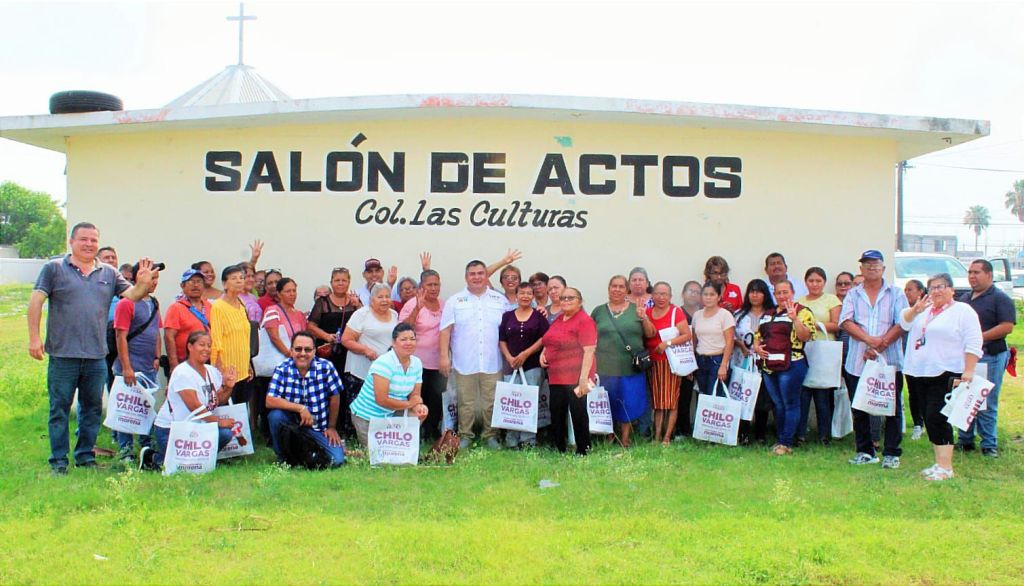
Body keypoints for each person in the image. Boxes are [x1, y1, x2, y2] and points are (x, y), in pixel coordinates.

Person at [28, 222, 157, 475]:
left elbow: (132, 296)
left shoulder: (108, 273)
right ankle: (59, 462)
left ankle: (85, 456)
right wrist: (34, 338)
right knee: (59, 410)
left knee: (92, 409)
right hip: (63, 354)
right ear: (71, 242)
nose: (89, 244)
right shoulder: (54, 268)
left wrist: (143, 283)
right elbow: (36, 302)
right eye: (83, 239)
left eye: (93, 240)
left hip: (96, 355)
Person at [900, 273, 983, 480]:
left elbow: (973, 341)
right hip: (920, 371)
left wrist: (969, 370)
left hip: (946, 371)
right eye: (932, 288)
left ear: (952, 290)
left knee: (937, 417)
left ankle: (946, 467)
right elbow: (904, 324)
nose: (936, 291)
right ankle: (939, 463)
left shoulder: (962, 311)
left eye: (941, 287)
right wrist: (915, 310)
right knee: (928, 417)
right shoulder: (924, 310)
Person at [839, 250, 908, 468]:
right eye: (867, 264)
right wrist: (869, 340)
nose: (871, 267)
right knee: (859, 408)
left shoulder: (896, 293)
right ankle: (865, 451)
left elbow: (902, 323)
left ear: (883, 268)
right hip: (858, 361)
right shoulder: (853, 294)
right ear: (861, 268)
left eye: (875, 264)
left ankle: (891, 453)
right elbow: (846, 321)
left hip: (889, 361)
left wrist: (881, 345)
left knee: (892, 407)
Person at [144, 331, 237, 471]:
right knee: (176, 468)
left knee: (225, 434)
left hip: (198, 427)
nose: (206, 349)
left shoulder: (211, 371)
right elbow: (195, 406)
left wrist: (228, 387)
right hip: (172, 429)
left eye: (209, 345)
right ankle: (153, 458)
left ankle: (203, 460)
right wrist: (219, 421)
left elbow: (216, 401)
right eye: (202, 345)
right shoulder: (182, 372)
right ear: (190, 346)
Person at [439, 260, 508, 450]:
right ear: (466, 277)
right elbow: (445, 331)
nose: (476, 277)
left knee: (490, 401)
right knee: (465, 402)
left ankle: (491, 435)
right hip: (464, 361)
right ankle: (465, 435)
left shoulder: (499, 300)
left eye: (480, 273)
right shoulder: (455, 301)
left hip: (492, 361)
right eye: (472, 274)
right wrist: (444, 357)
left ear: (486, 276)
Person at [957, 259, 1016, 457]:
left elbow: (1007, 326)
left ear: (989, 275)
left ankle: (989, 444)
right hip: (967, 358)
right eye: (970, 272)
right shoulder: (965, 299)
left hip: (991, 355)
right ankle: (965, 440)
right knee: (965, 397)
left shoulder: (1000, 298)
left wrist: (978, 338)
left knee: (986, 400)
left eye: (977, 272)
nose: (972, 276)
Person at [591, 275, 655, 447]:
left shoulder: (636, 309)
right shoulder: (599, 311)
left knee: (628, 402)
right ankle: (610, 436)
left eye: (621, 286)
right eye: (614, 286)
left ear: (627, 290)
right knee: (608, 402)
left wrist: (644, 317)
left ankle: (625, 438)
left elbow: (651, 334)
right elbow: (589, 335)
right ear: (608, 289)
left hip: (630, 367)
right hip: (605, 366)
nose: (617, 289)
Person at [266, 331, 346, 467]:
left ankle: (305, 454)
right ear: (291, 350)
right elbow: (270, 400)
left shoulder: (326, 367)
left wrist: (331, 427)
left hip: (318, 427)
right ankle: (283, 458)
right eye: (298, 349)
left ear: (314, 351)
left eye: (307, 350)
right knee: (275, 416)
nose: (303, 353)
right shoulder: (282, 369)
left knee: (337, 460)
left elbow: (335, 396)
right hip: (292, 426)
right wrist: (301, 408)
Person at [753, 280, 815, 455]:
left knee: (790, 403)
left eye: (785, 292)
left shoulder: (803, 311)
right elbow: (758, 335)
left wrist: (794, 319)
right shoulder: (768, 313)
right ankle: (781, 439)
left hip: (792, 364)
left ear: (792, 293)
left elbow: (806, 337)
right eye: (778, 293)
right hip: (769, 366)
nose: (781, 296)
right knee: (778, 404)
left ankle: (786, 443)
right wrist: (757, 347)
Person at [111, 261, 164, 461]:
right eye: (151, 277)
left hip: (148, 367)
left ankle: (146, 446)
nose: (154, 282)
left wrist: (157, 356)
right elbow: (120, 336)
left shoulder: (154, 303)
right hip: (130, 367)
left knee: (145, 408)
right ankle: (125, 450)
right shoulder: (126, 303)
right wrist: (126, 367)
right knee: (126, 409)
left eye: (156, 278)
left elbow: (156, 332)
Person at [349, 323, 429, 449]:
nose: (409, 343)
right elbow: (381, 400)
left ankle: (407, 444)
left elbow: (415, 394)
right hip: (369, 416)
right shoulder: (383, 363)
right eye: (403, 339)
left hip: (394, 411)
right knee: (378, 454)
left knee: (421, 411)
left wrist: (418, 406)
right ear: (394, 342)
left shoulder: (417, 363)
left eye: (412, 339)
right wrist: (410, 404)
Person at [539, 287, 597, 455]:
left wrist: (583, 378)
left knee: (578, 413)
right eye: (563, 298)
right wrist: (543, 353)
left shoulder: (584, 320)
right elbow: (549, 339)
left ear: (580, 301)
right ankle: (559, 448)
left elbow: (589, 350)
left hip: (576, 375)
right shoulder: (559, 319)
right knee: (556, 412)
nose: (566, 301)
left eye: (571, 298)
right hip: (556, 375)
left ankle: (583, 449)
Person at [307, 267, 360, 435]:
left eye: (344, 280)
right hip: (327, 352)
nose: (340, 283)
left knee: (345, 388)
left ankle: (345, 426)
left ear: (349, 282)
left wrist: (358, 305)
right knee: (326, 388)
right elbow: (311, 325)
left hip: (349, 353)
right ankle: (326, 425)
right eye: (337, 280)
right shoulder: (322, 302)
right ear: (331, 282)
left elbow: (364, 321)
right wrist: (326, 336)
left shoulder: (354, 301)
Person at [342, 283, 400, 435]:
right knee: (358, 405)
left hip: (383, 371)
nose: (384, 300)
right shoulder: (362, 314)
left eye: (387, 296)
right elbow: (346, 339)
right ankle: (353, 436)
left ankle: (378, 435)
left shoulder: (394, 315)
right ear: (372, 299)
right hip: (360, 369)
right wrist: (365, 350)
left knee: (378, 404)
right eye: (380, 297)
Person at [255, 277, 307, 440]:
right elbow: (274, 336)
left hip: (295, 362)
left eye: (294, 290)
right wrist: (289, 354)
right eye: (287, 291)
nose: (292, 294)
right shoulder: (272, 310)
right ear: (278, 293)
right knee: (272, 398)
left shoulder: (299, 314)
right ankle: (269, 434)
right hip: (277, 363)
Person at [499, 282, 550, 448]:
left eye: (529, 293)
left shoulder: (539, 316)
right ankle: (511, 440)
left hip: (532, 366)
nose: (525, 296)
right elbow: (502, 340)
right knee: (512, 403)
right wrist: (509, 357)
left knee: (529, 402)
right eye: (522, 293)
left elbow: (544, 338)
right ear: (516, 296)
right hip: (511, 366)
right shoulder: (507, 316)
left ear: (533, 296)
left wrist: (526, 354)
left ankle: (528, 440)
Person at [796, 267, 842, 445]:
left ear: (824, 282)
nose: (814, 284)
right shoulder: (799, 301)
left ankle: (824, 435)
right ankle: (800, 434)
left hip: (824, 351)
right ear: (805, 282)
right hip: (805, 350)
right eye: (811, 281)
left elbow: (837, 324)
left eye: (818, 281)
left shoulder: (831, 300)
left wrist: (812, 324)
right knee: (802, 394)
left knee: (822, 395)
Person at [399, 269, 445, 440]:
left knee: (436, 398)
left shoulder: (444, 304)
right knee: (418, 397)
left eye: (436, 284)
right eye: (429, 285)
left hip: (438, 361)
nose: (433, 288)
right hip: (416, 362)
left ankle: (431, 432)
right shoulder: (412, 303)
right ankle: (414, 433)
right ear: (422, 287)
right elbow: (403, 329)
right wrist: (417, 309)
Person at [644, 282, 692, 445]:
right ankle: (657, 435)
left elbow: (686, 335)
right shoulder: (648, 312)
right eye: (657, 294)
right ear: (652, 296)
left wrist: (667, 343)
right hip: (653, 362)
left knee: (671, 401)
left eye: (664, 294)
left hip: (670, 362)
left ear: (670, 296)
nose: (661, 297)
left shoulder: (675, 312)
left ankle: (666, 437)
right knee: (658, 401)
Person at [732, 279, 776, 444]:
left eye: (758, 292)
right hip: (743, 361)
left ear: (765, 295)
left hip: (764, 361)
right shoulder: (739, 315)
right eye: (752, 291)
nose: (755, 295)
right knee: (743, 397)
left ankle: (760, 434)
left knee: (762, 398)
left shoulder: (772, 314)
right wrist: (741, 345)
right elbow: (731, 336)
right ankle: (742, 433)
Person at [209, 264, 254, 405]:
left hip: (243, 369)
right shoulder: (218, 307)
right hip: (227, 371)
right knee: (227, 409)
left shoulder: (241, 305)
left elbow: (244, 338)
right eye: (234, 278)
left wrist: (248, 364)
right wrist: (219, 371)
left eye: (241, 277)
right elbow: (216, 340)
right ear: (224, 284)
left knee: (242, 409)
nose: (239, 281)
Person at [691, 282, 736, 396]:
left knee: (714, 397)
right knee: (702, 396)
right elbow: (694, 341)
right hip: (700, 360)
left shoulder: (725, 315)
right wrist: (691, 362)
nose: (708, 297)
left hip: (717, 360)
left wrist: (723, 365)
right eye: (705, 294)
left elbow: (730, 342)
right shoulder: (697, 315)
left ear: (719, 297)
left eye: (712, 294)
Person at [164, 269, 212, 373]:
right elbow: (169, 337)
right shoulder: (176, 308)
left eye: (199, 281)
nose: (196, 285)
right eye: (191, 281)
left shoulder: (209, 306)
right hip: (184, 362)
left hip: (207, 361)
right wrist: (173, 364)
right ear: (182, 285)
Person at [673, 280, 704, 439]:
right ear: (683, 294)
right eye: (690, 291)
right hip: (683, 359)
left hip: (704, 359)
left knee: (703, 395)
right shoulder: (677, 313)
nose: (693, 294)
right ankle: (682, 430)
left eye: (697, 292)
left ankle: (702, 430)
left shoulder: (705, 313)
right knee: (684, 397)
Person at [902, 279, 927, 440]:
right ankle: (918, 423)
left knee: (928, 392)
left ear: (920, 292)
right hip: (909, 358)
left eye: (910, 289)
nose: (906, 292)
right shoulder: (905, 311)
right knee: (913, 391)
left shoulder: (928, 310)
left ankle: (933, 422)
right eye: (905, 289)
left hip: (926, 358)